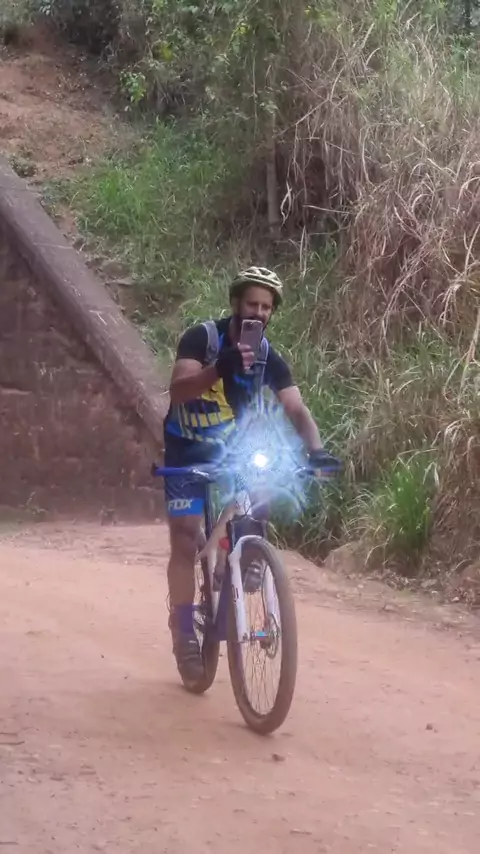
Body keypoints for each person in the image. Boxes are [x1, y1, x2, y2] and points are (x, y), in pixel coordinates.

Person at [162, 266, 331, 681]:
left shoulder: (269, 356)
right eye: (252, 304)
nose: (258, 313)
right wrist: (219, 368)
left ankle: (245, 554)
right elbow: (179, 390)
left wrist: (318, 451)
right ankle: (183, 630)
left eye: (266, 307)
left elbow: (296, 408)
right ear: (236, 303)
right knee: (184, 535)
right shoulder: (203, 339)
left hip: (231, 450)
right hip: (186, 448)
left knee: (265, 477)